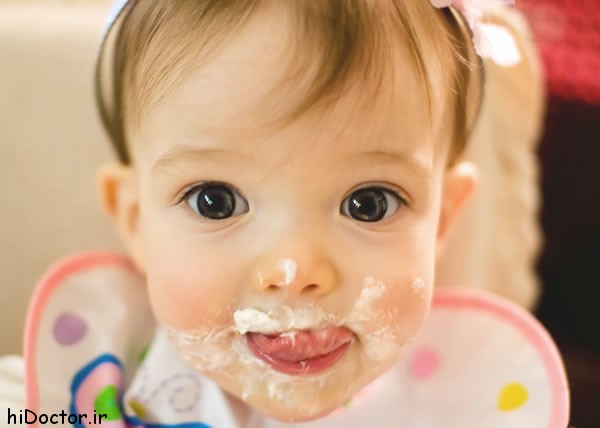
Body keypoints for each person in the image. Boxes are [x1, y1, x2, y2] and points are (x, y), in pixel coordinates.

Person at [17, 1, 568, 427]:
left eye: (368, 204)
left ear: (443, 219)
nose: (295, 270)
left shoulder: (465, 399)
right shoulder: (88, 370)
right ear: (136, 220)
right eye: (216, 201)